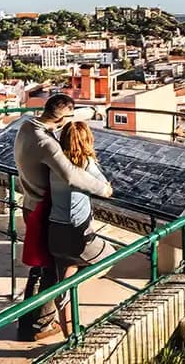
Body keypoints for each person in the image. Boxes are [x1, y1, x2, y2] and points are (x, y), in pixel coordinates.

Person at [14, 94, 112, 341]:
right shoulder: (46, 143)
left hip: (31, 202)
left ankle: (35, 322)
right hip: (42, 208)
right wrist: (104, 189)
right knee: (47, 273)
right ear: (64, 118)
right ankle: (37, 326)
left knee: (44, 269)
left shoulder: (27, 124)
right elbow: (71, 174)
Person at [48, 121, 116, 336]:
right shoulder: (86, 163)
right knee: (110, 257)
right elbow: (105, 188)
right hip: (77, 231)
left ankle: (70, 334)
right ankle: (75, 284)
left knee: (64, 279)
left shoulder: (54, 162)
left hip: (54, 230)